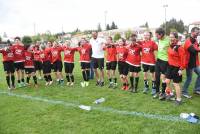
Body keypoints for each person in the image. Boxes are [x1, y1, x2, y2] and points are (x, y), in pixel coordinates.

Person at [165, 32, 185, 105]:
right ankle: (170, 94)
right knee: (167, 81)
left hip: (177, 67)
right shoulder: (170, 45)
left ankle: (179, 99)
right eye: (170, 37)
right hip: (170, 66)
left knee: (175, 84)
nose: (171, 38)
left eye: (173, 37)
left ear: (176, 38)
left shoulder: (179, 47)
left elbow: (183, 59)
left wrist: (181, 69)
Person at [182, 27, 200, 98]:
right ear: (192, 32)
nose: (198, 34)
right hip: (189, 64)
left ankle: (197, 89)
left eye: (198, 32)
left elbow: (197, 47)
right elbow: (194, 51)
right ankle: (184, 91)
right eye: (197, 32)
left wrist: (197, 46)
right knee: (189, 78)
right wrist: (198, 48)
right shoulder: (187, 41)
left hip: (195, 63)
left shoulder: (195, 40)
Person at [154, 28, 170, 100]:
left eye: (157, 35)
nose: (156, 37)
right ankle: (157, 92)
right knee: (156, 76)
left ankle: (163, 93)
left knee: (163, 78)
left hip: (165, 61)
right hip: (158, 60)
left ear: (161, 34)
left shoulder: (168, 40)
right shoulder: (159, 39)